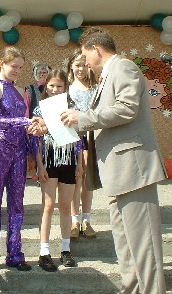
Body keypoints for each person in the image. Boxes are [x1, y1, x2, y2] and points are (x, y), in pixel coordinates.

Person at [60, 27, 167, 294]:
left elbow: (127, 108)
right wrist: (56, 122)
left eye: (85, 54)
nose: (84, 61)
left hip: (133, 168)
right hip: (115, 171)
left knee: (144, 244)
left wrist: (82, 118)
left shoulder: (123, 68)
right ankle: (131, 288)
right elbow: (99, 116)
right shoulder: (106, 76)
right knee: (126, 242)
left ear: (96, 49)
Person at [0, 46, 36, 274]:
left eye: (21, 68)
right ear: (2, 63)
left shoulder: (21, 91)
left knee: (17, 204)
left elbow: (26, 126)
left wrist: (32, 147)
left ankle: (15, 253)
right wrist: (26, 122)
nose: (17, 71)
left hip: (19, 150)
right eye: (14, 66)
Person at [33, 69, 83, 272]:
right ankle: (44, 252)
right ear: (46, 86)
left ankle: (65, 249)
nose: (55, 89)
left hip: (69, 162)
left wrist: (79, 163)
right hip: (49, 162)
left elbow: (79, 139)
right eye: (51, 85)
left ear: (65, 87)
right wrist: (40, 164)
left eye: (59, 86)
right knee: (48, 205)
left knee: (65, 205)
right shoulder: (39, 110)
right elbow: (35, 141)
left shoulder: (73, 108)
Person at [66, 48, 98, 240]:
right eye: (77, 65)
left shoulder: (94, 88)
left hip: (91, 137)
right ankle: (74, 219)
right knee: (75, 180)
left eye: (84, 65)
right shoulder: (67, 89)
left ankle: (86, 218)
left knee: (87, 180)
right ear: (71, 65)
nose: (80, 69)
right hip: (73, 138)